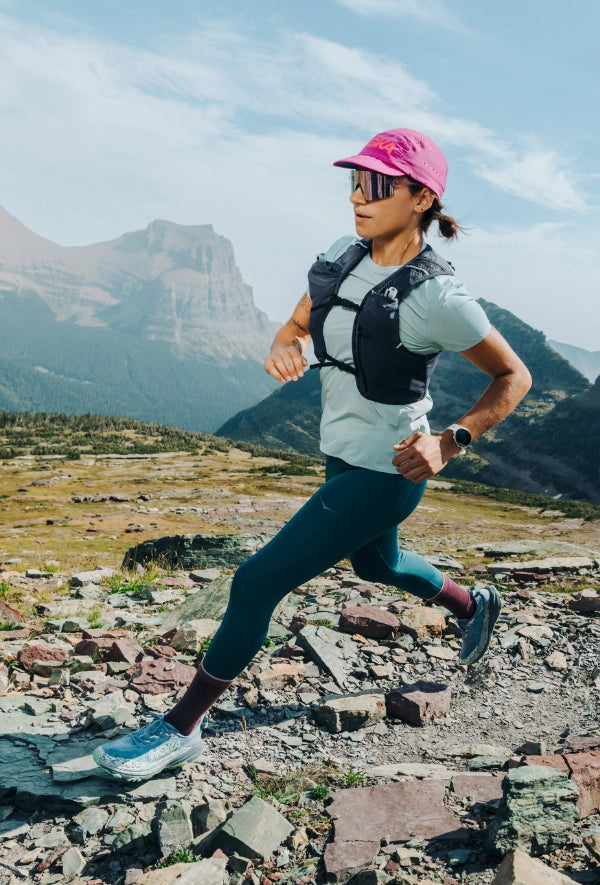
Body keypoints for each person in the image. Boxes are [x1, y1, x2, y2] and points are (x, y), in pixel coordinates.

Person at [94, 128, 532, 781]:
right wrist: (288, 339)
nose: (358, 196)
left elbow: (514, 377)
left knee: (255, 582)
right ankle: (474, 605)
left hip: (388, 468)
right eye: (355, 181)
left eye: (377, 185)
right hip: (342, 453)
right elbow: (308, 313)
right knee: (379, 564)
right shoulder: (343, 253)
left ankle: (180, 728)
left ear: (421, 199)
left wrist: (450, 440)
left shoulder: (439, 296)